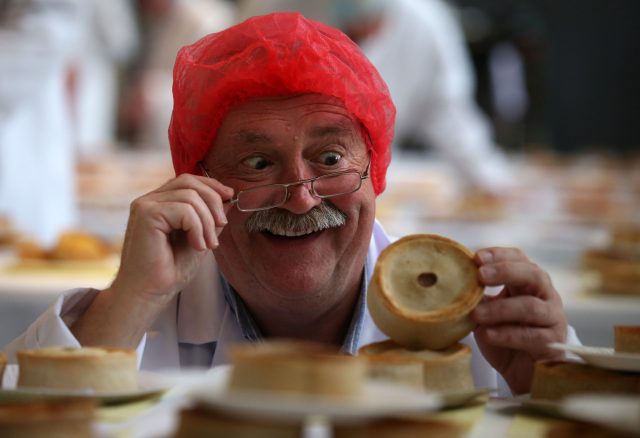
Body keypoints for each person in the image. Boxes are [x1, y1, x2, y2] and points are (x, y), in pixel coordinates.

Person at [5, 12, 575, 395]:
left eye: (330, 160)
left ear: (376, 173)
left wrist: (549, 390)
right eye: (257, 164)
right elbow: (26, 412)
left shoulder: (485, 328)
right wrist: (128, 301)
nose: (301, 198)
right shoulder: (138, 315)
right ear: (197, 185)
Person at [237, 0, 513, 195]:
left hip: (380, 182)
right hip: (283, 181)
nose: (364, 31)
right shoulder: (277, 14)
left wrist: (487, 176)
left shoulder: (426, 22)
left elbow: (448, 109)